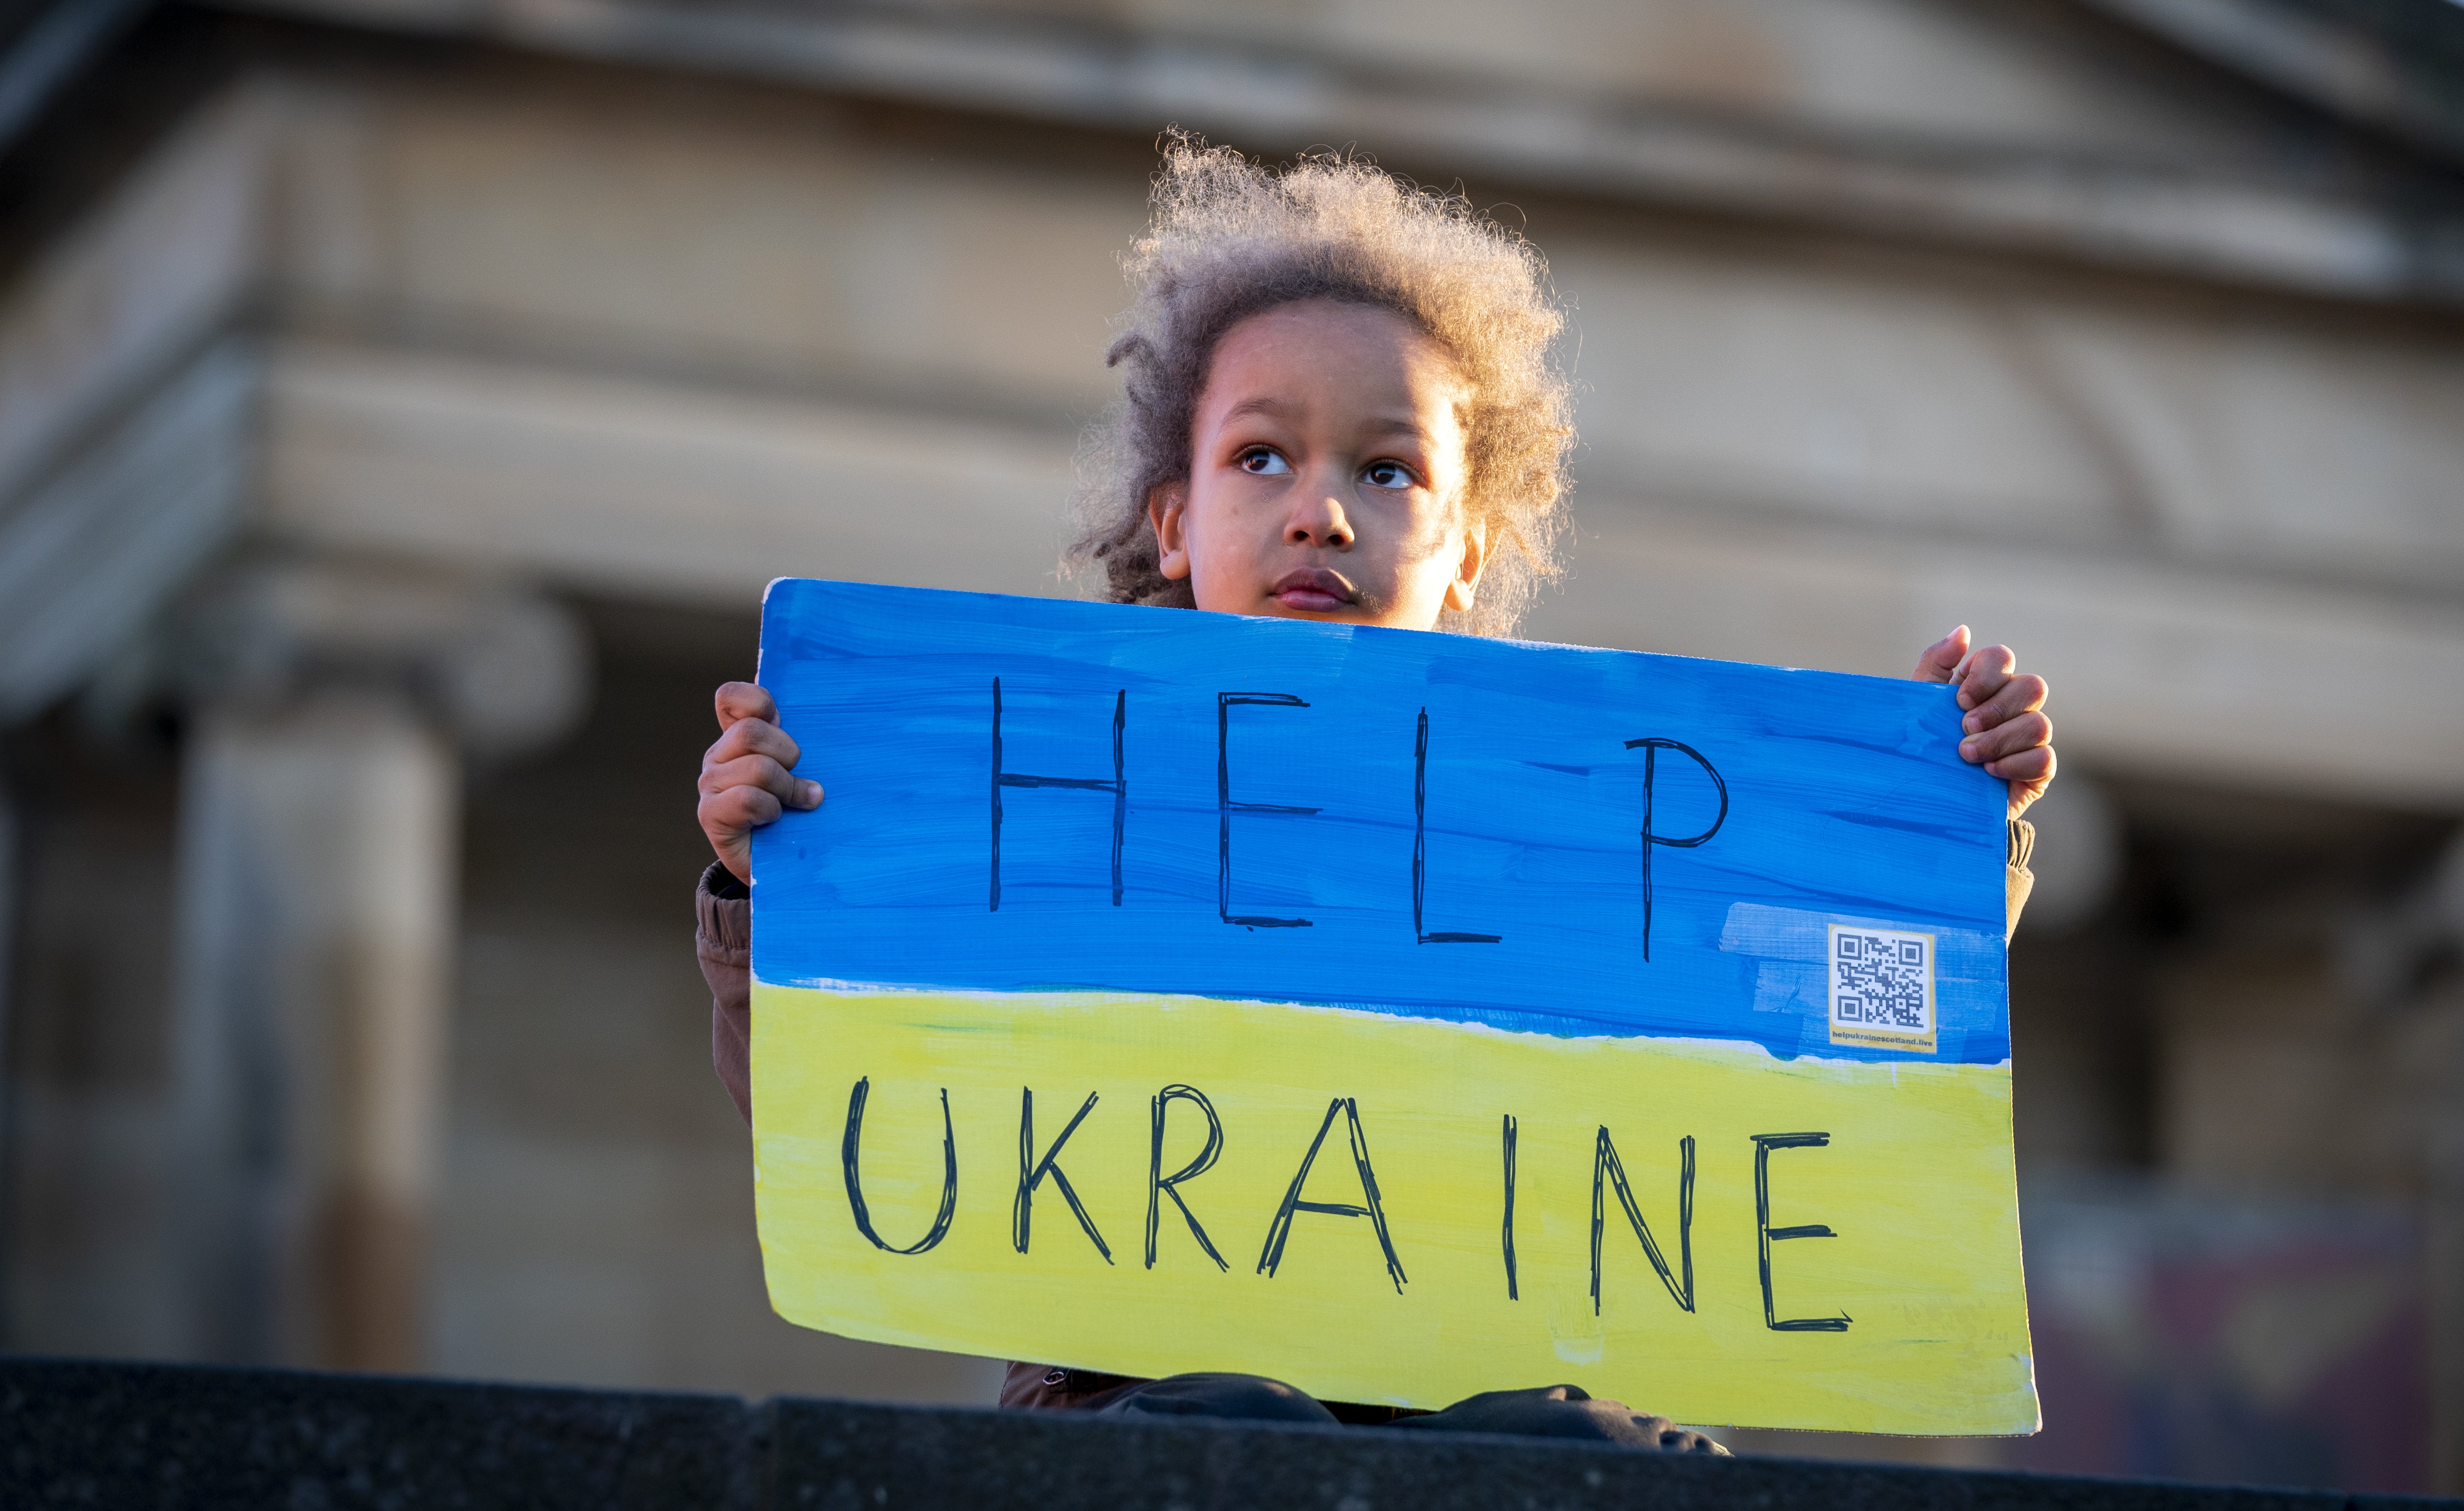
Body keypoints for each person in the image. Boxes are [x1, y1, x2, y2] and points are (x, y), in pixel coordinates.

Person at [690, 139, 2055, 1447]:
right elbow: (860, 1102)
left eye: (1387, 470)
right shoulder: (1042, 804)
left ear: (1467, 550)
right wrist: (776, 886)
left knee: (1574, 1450)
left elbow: (1810, 1005)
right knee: (1233, 1428)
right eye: (1261, 457)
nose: (1320, 511)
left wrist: (1926, 832)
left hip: (1489, 1408)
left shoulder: (1577, 815)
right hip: (1135, 1406)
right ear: (1175, 521)